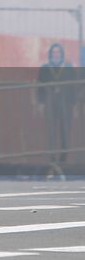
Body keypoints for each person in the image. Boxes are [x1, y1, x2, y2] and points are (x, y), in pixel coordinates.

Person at [37, 42, 77, 172]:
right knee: (51, 131)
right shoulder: (44, 69)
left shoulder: (69, 68)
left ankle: (63, 157)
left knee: (65, 130)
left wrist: (74, 104)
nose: (56, 55)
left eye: (58, 52)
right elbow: (40, 87)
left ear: (62, 54)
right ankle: (52, 158)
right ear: (50, 54)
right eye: (53, 53)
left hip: (66, 105)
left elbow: (74, 87)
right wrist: (41, 103)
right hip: (50, 104)